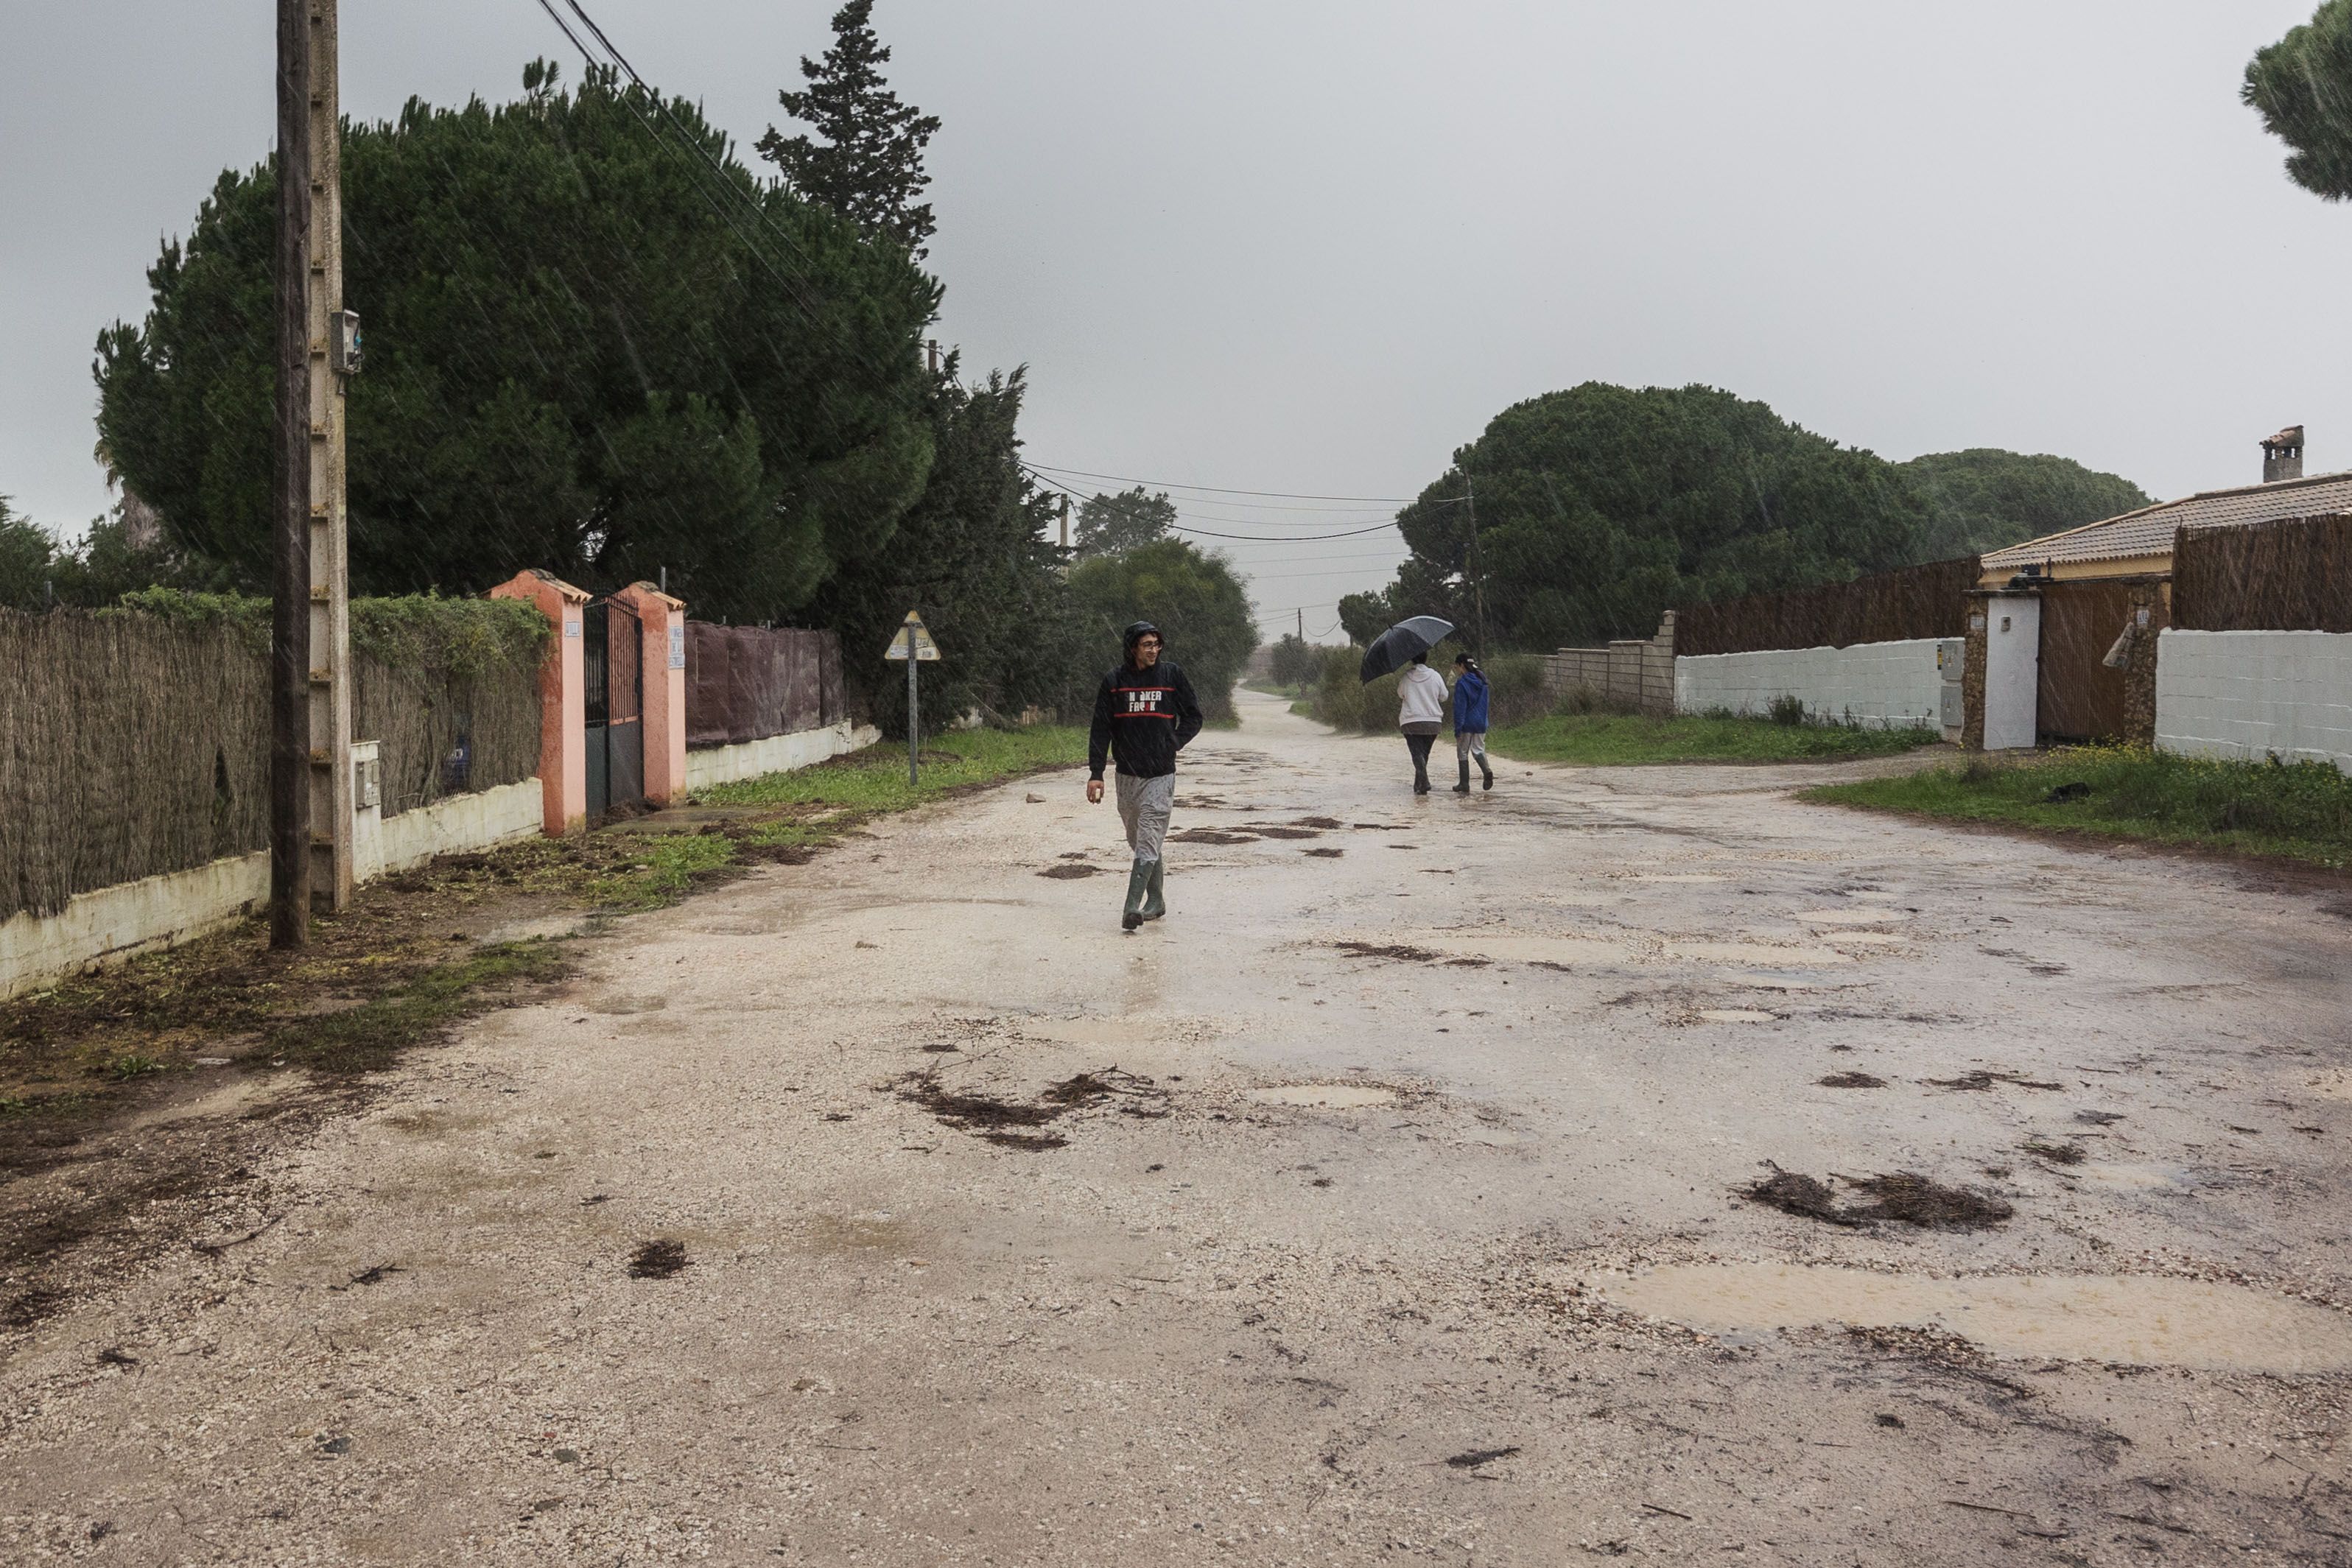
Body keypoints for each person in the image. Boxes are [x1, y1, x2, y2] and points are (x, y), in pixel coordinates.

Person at [1087, 622, 1205, 930]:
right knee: (1139, 838)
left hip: (1160, 774)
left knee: (1150, 834)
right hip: (1126, 775)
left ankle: (1131, 906)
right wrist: (1096, 773)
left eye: (1156, 644)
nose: (1153, 650)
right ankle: (1156, 901)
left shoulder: (1171, 675)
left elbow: (1194, 715)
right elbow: (1101, 729)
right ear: (1132, 648)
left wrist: (1175, 742)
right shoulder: (1114, 681)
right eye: (1147, 645)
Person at [1396, 649, 1447, 795]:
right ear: (1426, 659)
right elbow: (1444, 696)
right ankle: (1420, 784)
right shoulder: (1436, 675)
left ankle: (1423, 782)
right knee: (1424, 754)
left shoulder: (1406, 677)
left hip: (1411, 721)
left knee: (1417, 754)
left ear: (1412, 660)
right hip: (1432, 722)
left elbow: (1400, 694)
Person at [1450, 652, 1495, 792]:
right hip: (1481, 722)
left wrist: (1458, 729)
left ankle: (1464, 784)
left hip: (1467, 723)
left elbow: (1460, 708)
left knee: (1462, 752)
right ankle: (1486, 770)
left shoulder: (1462, 683)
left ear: (1461, 665)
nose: (1457, 670)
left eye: (1457, 667)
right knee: (1478, 750)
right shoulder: (1483, 680)